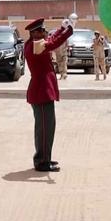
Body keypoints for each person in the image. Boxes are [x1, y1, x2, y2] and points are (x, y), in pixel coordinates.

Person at [24, 17, 74, 172]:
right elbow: (53, 44)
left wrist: (61, 29)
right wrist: (69, 31)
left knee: (47, 127)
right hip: (41, 92)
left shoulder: (35, 44)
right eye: (41, 30)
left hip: (43, 91)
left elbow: (50, 39)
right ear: (34, 33)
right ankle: (41, 162)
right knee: (44, 129)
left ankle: (44, 158)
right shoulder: (35, 46)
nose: (44, 32)